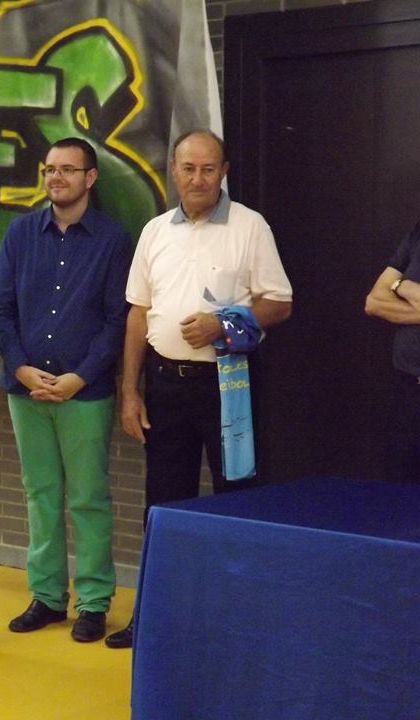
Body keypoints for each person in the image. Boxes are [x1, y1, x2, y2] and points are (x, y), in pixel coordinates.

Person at [106, 129, 293, 649]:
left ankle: (240, 623)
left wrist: (222, 323)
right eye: (188, 168)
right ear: (173, 170)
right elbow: (138, 314)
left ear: (224, 172)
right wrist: (130, 391)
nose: (198, 179)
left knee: (237, 500)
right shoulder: (154, 231)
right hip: (165, 385)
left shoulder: (250, 226)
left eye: (208, 169)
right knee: (163, 507)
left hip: (228, 386)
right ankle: (156, 618)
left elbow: (279, 303)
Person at [0, 138, 131, 643]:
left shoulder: (113, 240)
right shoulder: (21, 232)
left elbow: (117, 320)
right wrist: (21, 368)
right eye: (50, 169)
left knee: (88, 498)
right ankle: (47, 597)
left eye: (68, 170)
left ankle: (93, 602)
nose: (56, 178)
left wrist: (80, 377)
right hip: (26, 390)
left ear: (90, 178)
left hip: (83, 394)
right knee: (40, 495)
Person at [365, 223, 420, 482]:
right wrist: (403, 285)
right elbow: (374, 302)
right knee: (399, 489)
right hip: (409, 388)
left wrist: (400, 286)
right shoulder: (417, 234)